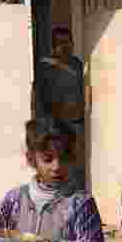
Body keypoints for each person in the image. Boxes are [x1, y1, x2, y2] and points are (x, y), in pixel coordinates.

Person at [36, 26, 85, 186]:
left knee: (74, 163)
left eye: (67, 42)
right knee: (57, 164)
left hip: (76, 123)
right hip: (55, 124)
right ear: (53, 45)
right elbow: (40, 95)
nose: (64, 46)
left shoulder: (77, 64)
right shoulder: (45, 65)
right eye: (59, 42)